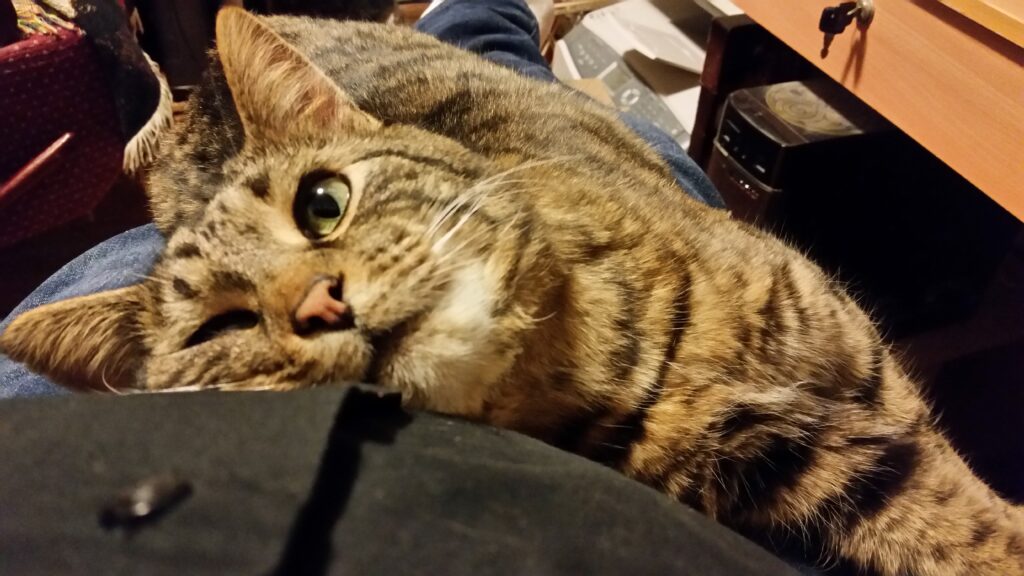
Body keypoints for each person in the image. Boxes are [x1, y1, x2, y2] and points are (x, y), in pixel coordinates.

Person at [0, 0, 724, 399]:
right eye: (217, 329)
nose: (315, 304)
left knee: (499, 70)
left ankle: (469, 16)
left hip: (391, 138)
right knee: (513, 64)